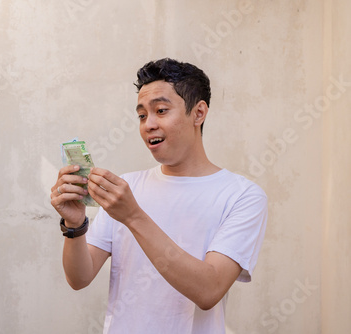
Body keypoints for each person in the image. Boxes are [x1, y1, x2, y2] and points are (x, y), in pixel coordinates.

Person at [50, 58, 268, 334]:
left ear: (198, 113)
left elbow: (209, 289)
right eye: (142, 115)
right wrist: (74, 226)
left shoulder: (243, 196)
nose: (148, 124)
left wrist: (132, 215)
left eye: (161, 110)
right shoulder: (128, 186)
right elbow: (79, 278)